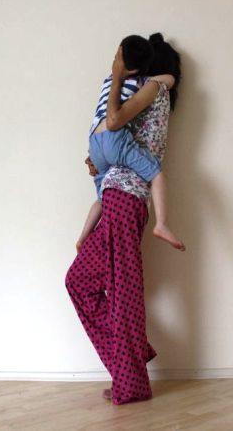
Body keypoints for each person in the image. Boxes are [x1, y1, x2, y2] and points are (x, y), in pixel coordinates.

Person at [66, 32, 182, 405]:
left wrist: (118, 75)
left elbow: (114, 120)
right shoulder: (153, 94)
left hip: (124, 196)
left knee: (121, 291)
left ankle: (131, 381)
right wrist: (98, 159)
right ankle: (130, 362)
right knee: (82, 282)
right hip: (119, 195)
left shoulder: (153, 87)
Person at [83, 36, 186, 251]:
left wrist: (117, 73)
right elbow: (114, 122)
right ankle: (162, 224)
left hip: (94, 141)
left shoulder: (109, 81)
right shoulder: (147, 84)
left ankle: (82, 237)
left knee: (101, 197)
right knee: (156, 172)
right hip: (117, 154)